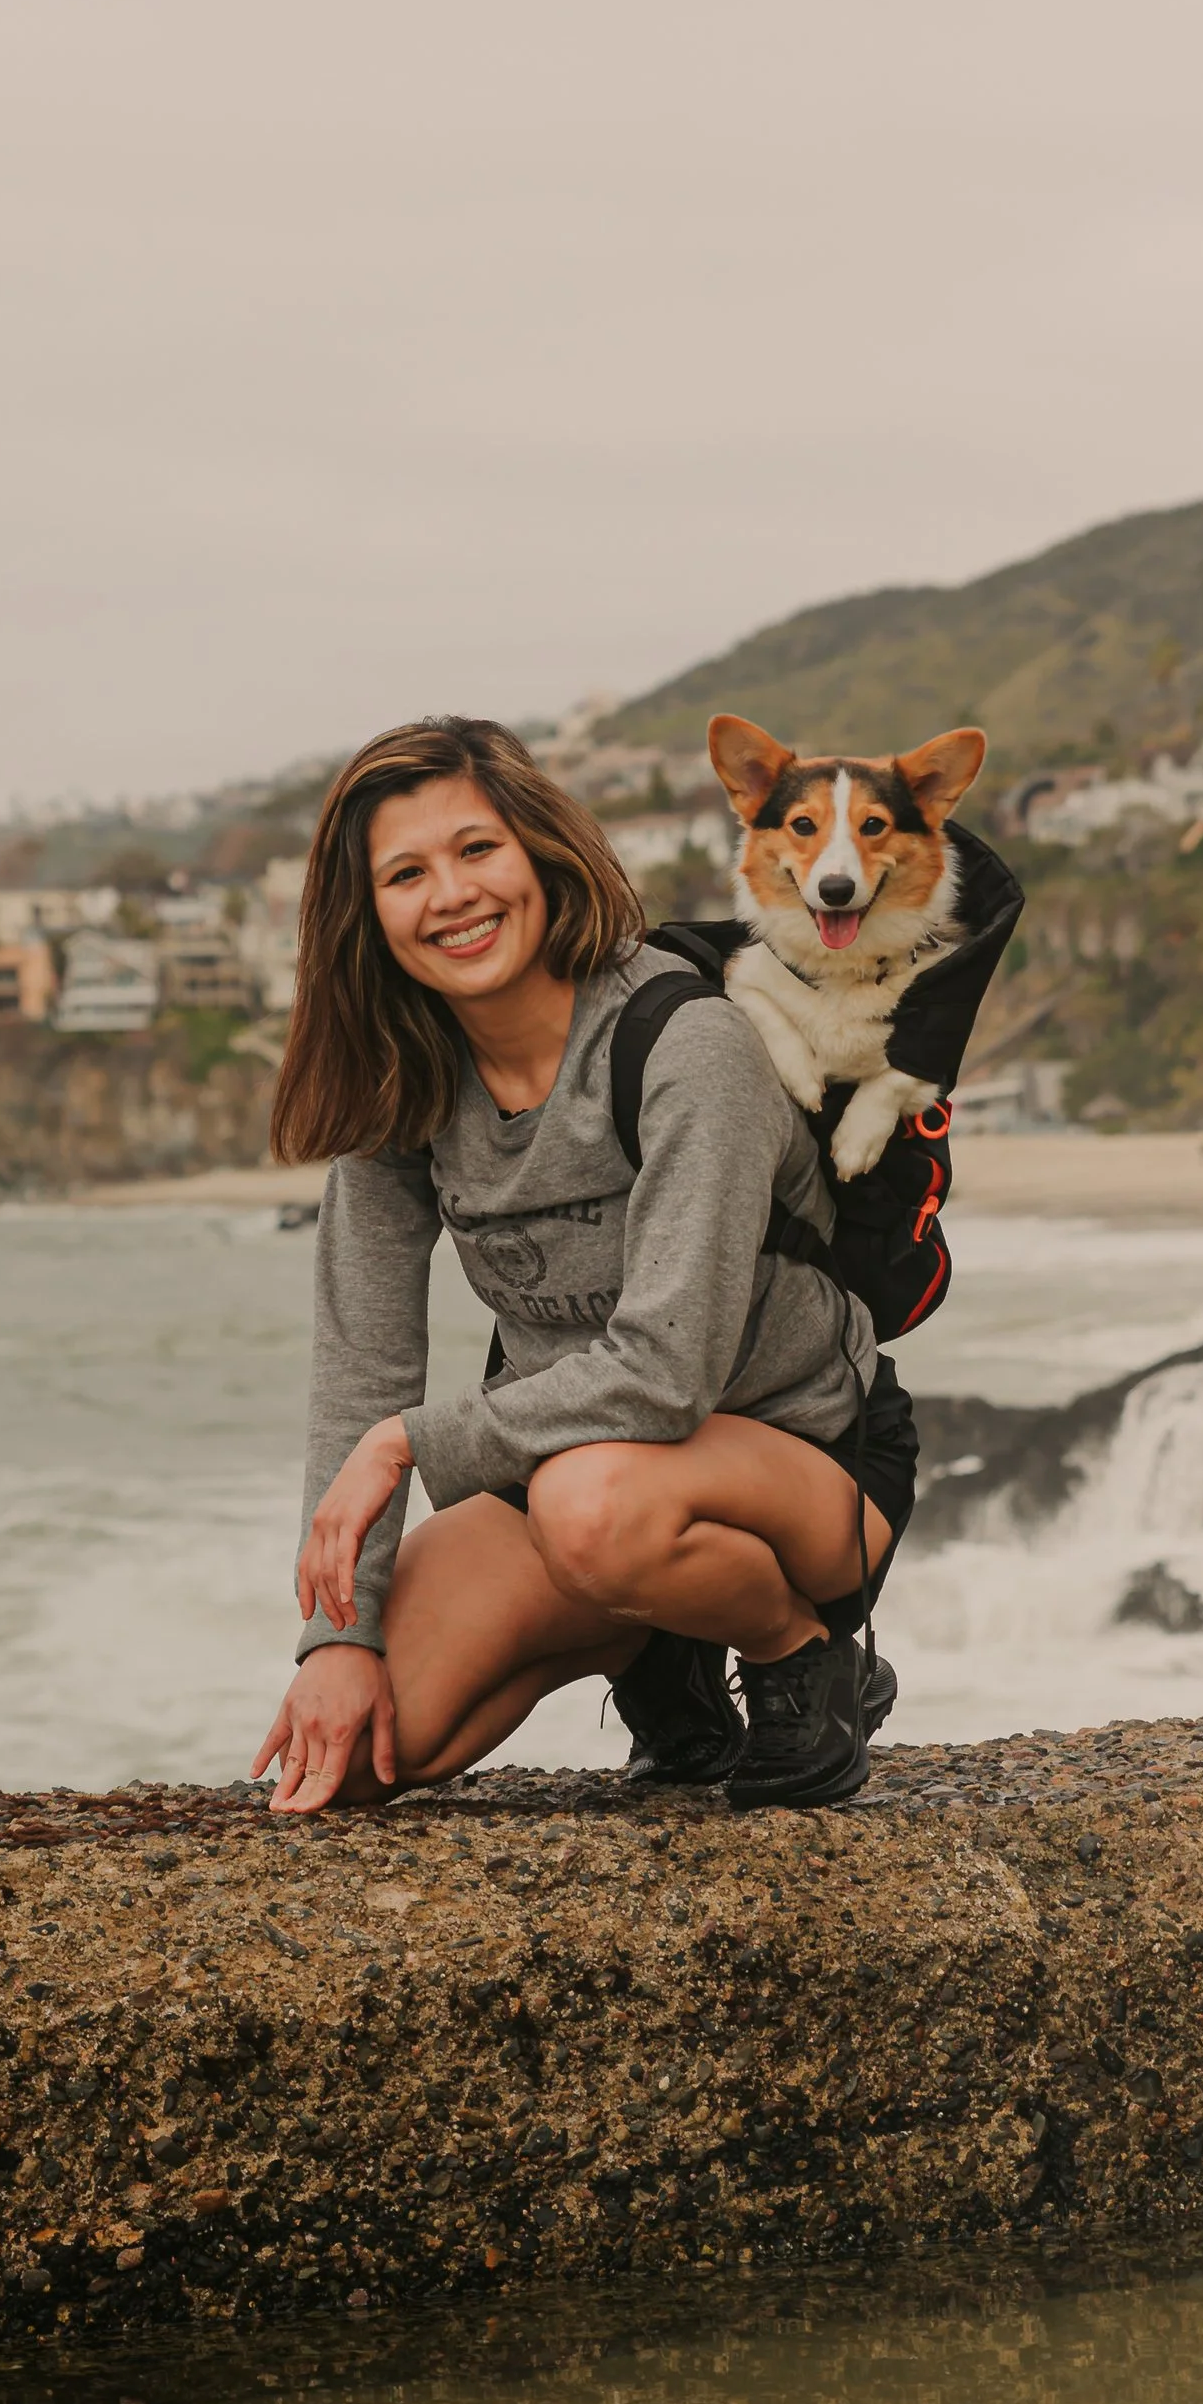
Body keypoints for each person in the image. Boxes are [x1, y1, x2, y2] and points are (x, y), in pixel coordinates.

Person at [250, 714, 918, 1817]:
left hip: (801, 1460)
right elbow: (361, 1363)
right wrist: (335, 1636)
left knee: (590, 1507)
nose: (451, 895)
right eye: (406, 874)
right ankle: (653, 1639)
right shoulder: (405, 1082)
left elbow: (664, 1373)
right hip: (570, 1473)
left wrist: (409, 1443)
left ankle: (796, 1651)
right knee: (358, 1757)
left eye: (477, 849)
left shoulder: (684, 1042)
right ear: (366, 912)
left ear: (540, 852)